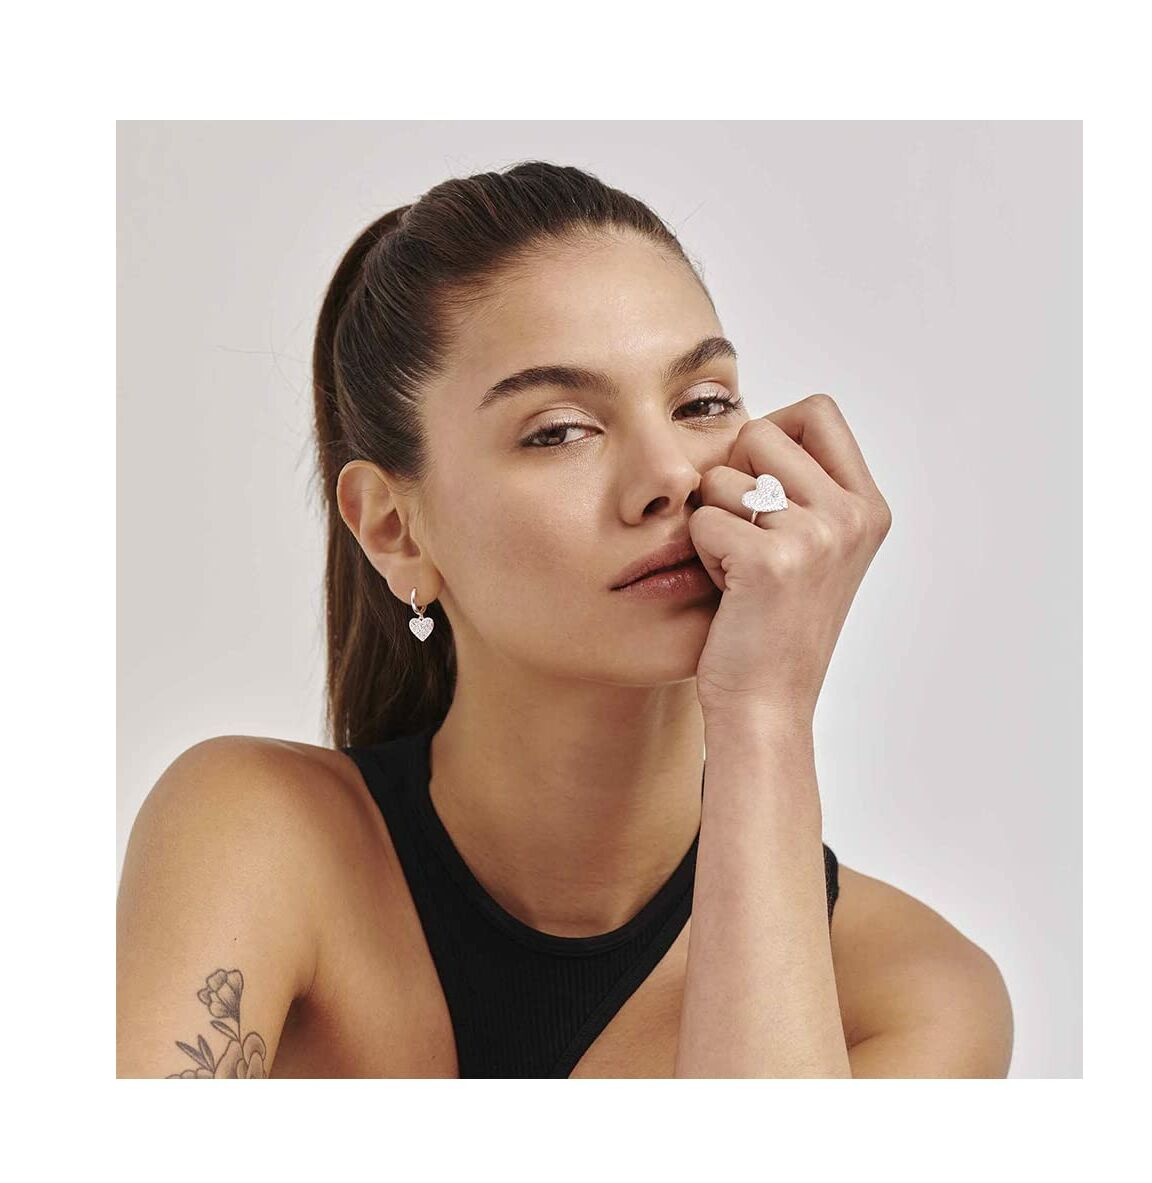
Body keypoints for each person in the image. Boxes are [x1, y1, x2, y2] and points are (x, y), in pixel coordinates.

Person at [116, 160, 1013, 1078]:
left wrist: (765, 714)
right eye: (559, 430)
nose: (670, 474)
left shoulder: (913, 993)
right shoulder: (258, 836)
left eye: (703, 404)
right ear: (394, 530)